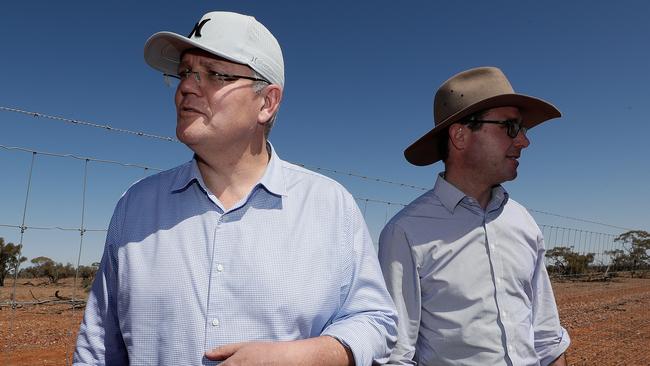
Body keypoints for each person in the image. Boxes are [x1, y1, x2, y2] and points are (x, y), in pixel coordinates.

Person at [74, 11, 397, 366]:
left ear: (267, 102)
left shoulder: (330, 205)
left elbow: (375, 319)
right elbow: (98, 350)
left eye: (214, 74)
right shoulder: (135, 205)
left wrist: (306, 356)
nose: (186, 87)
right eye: (184, 73)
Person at [378, 66, 570, 366]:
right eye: (510, 127)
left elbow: (546, 336)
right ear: (460, 135)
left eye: (523, 130)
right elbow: (397, 355)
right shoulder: (405, 232)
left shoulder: (524, 223)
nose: (523, 141)